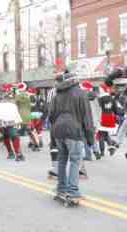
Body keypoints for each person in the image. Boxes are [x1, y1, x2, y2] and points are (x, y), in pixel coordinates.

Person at [49, 72, 94, 201]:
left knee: (62, 159)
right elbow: (87, 118)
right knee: (75, 160)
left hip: (58, 131)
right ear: (76, 81)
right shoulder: (81, 94)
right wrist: (90, 139)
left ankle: (61, 188)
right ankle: (73, 190)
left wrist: (53, 135)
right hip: (73, 130)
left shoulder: (57, 95)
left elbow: (51, 116)